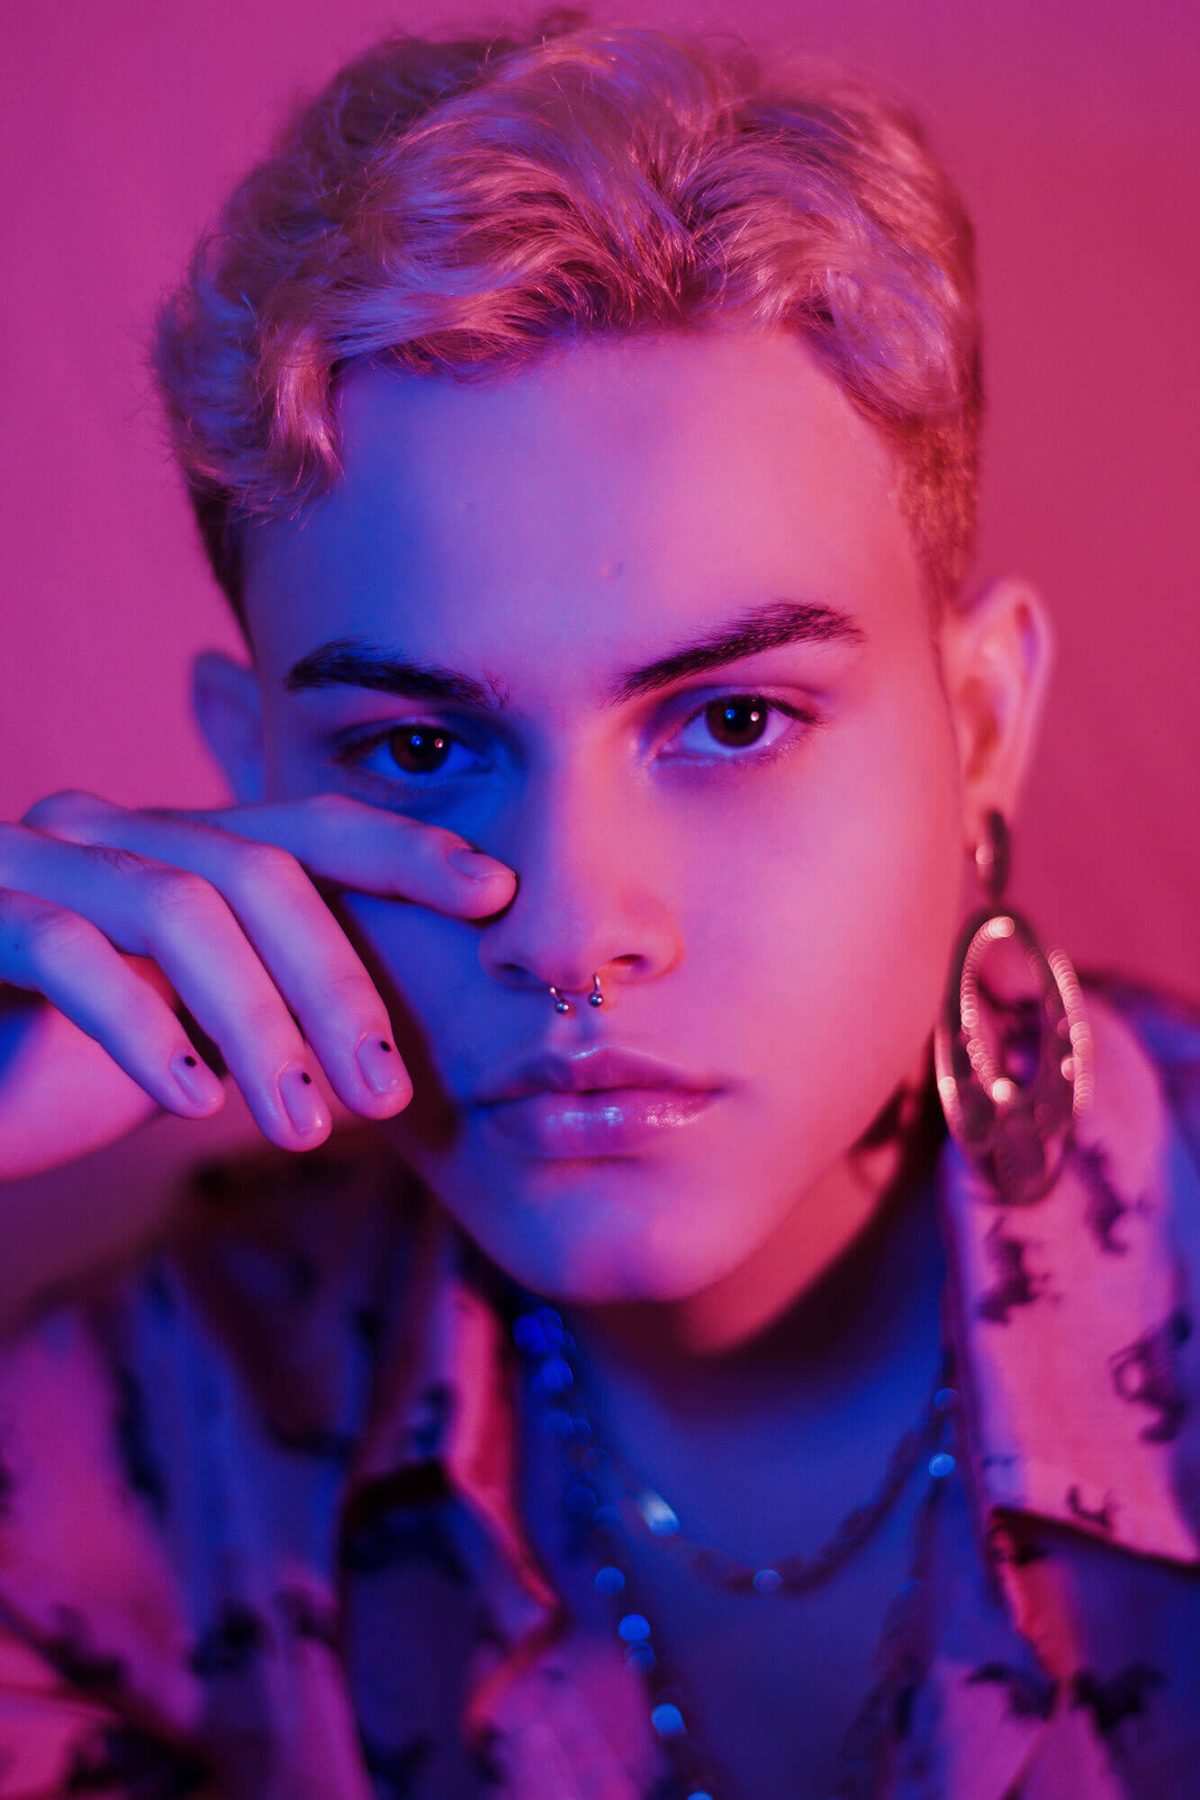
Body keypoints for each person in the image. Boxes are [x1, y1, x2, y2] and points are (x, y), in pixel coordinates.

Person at [0, 11, 1197, 1798]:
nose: (571, 931)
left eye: (735, 720)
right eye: (417, 749)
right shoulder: (174, 1426)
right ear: (253, 777)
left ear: (978, 730)